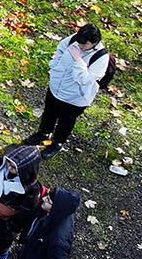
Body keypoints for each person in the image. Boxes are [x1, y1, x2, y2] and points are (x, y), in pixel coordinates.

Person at [23, 23, 114, 158]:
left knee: (66, 121)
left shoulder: (101, 58)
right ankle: (43, 133)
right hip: (56, 88)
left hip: (75, 98)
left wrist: (78, 59)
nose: (80, 46)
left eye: (84, 44)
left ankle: (57, 143)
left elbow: (85, 79)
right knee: (49, 112)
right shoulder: (75, 39)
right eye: (79, 42)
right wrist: (55, 66)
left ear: (94, 42)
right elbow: (60, 49)